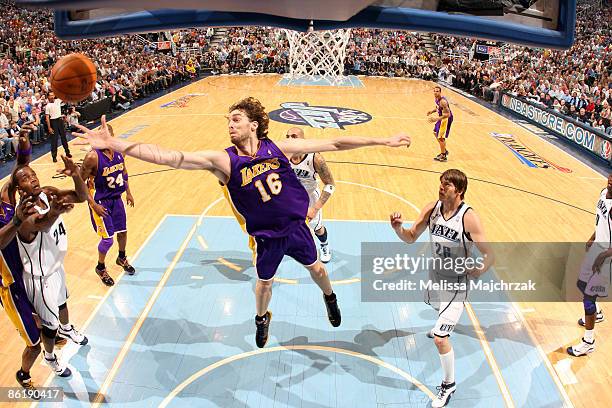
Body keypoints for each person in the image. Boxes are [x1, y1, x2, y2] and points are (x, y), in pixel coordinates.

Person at [73, 97, 411, 348]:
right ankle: (262, 319)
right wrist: (114, 144)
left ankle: (330, 299)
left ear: (254, 125)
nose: (230, 125)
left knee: (320, 271)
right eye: (229, 121)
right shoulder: (224, 160)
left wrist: (383, 140)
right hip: (267, 238)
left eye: (236, 119)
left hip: (296, 229)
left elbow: (335, 142)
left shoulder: (279, 146)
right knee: (264, 286)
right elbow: (170, 157)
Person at [390, 169, 493, 408]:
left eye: (447, 185)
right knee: (438, 314)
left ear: (459, 191)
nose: (441, 187)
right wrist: (398, 228)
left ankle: (449, 385)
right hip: (435, 275)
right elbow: (411, 237)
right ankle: (441, 325)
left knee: (440, 338)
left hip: (457, 283)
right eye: (441, 183)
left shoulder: (468, 217)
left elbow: (490, 253)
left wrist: (478, 270)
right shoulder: (432, 208)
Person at [13, 155, 89, 377]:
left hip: (56, 267)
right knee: (49, 326)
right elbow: (43, 224)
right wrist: (56, 210)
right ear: (19, 189)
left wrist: (75, 174)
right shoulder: (23, 215)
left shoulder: (46, 193)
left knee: (63, 302)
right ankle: (49, 357)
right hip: (40, 279)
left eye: (33, 174)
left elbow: (81, 197)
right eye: (26, 178)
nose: (33, 179)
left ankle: (67, 329)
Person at [0, 127, 44, 391]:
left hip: (26, 273)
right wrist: (16, 220)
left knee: (45, 319)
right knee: (34, 342)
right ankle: (22, 374)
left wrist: (24, 143)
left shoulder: (5, 196)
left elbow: (21, 167)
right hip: (9, 286)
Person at [80, 124, 135, 286]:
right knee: (107, 240)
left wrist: (128, 192)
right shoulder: (92, 157)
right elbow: (79, 182)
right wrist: (93, 204)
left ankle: (121, 257)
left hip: (116, 199)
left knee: (123, 232)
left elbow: (123, 173)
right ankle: (100, 267)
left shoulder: (119, 152)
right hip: (100, 202)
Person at [567, 174, 611, 357]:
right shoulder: (604, 193)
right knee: (581, 284)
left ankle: (588, 342)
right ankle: (597, 314)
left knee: (588, 299)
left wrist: (603, 256)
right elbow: (601, 219)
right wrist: (593, 237)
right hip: (598, 250)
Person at [286, 127, 334, 263]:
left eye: (294, 136)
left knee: (317, 227)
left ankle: (325, 246)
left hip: (310, 197)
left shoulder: (315, 158)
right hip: (290, 197)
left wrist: (315, 208)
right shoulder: (283, 156)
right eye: (287, 136)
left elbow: (330, 185)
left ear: (302, 140)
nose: (290, 139)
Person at [426, 86, 453, 162]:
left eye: (437, 91)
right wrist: (432, 111)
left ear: (440, 92)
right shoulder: (436, 99)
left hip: (446, 119)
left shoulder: (443, 102)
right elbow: (438, 108)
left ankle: (443, 156)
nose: (435, 92)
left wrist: (436, 119)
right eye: (434, 91)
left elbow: (448, 114)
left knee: (441, 137)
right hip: (442, 118)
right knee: (435, 132)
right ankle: (444, 149)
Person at [44, 92, 71, 162]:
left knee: (64, 138)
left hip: (60, 121)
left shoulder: (58, 101)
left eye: (53, 95)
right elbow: (47, 118)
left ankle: (67, 152)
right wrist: (49, 127)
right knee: (54, 140)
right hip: (53, 122)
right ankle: (54, 156)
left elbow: (65, 99)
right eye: (50, 95)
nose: (52, 96)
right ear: (48, 97)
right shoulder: (48, 106)